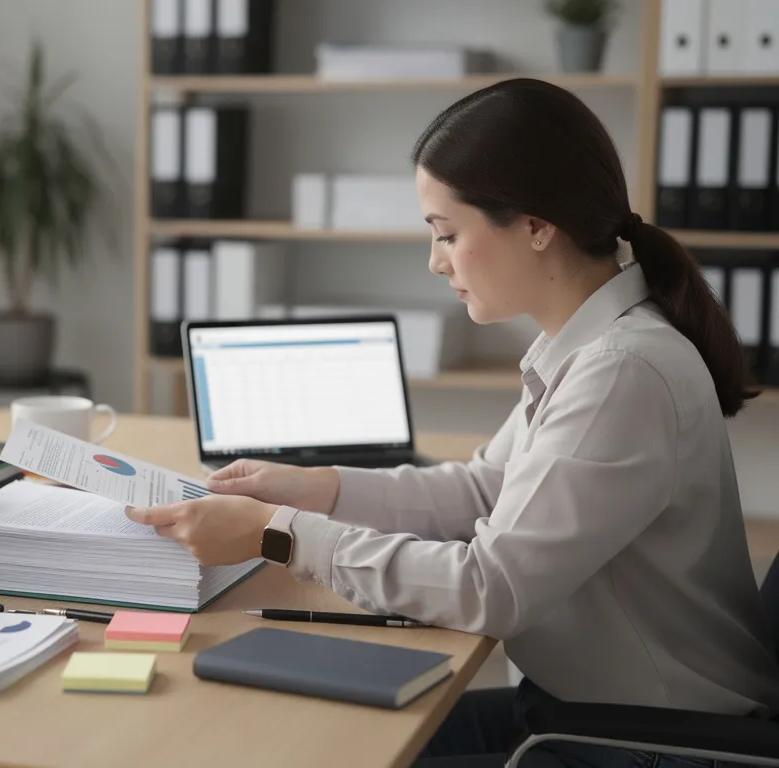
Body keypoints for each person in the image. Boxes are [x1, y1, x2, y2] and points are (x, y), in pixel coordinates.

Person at [125, 78, 779, 767]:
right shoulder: (589, 347)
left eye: (448, 233)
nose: (436, 261)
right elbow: (482, 493)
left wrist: (279, 536)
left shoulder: (622, 371)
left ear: (534, 224)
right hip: (586, 711)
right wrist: (320, 488)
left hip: (650, 745)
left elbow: (488, 590)